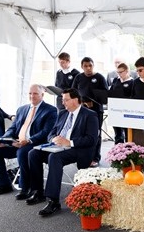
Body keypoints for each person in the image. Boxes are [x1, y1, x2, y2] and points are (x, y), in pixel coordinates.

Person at [26, 88, 99, 216]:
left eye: (66, 100)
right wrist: (53, 138)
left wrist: (69, 142)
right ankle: (38, 191)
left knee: (54, 158)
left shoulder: (90, 115)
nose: (63, 103)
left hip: (77, 149)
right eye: (62, 100)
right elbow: (52, 132)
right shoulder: (63, 113)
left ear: (76, 100)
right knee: (33, 154)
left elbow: (91, 139)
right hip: (58, 147)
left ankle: (53, 201)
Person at [0, 84, 57, 197]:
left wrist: (28, 140)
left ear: (42, 95)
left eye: (35, 93)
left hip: (35, 143)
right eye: (30, 93)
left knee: (23, 152)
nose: (32, 96)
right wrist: (5, 140)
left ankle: (27, 188)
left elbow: (46, 132)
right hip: (17, 142)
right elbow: (13, 128)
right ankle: (4, 185)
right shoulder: (22, 109)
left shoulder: (50, 110)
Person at [72, 56, 107, 167]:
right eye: (85, 66)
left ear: (93, 65)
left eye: (90, 65)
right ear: (82, 67)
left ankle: (95, 157)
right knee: (82, 134)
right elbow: (73, 93)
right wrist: (80, 103)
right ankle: (83, 157)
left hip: (97, 111)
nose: (88, 68)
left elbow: (106, 95)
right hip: (82, 111)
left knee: (96, 134)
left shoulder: (100, 77)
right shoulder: (78, 77)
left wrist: (95, 102)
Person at [108, 63, 134, 144]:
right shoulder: (116, 80)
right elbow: (111, 92)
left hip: (127, 111)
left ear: (126, 71)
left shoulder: (132, 82)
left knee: (127, 133)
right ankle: (118, 153)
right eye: (117, 72)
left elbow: (133, 96)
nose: (119, 74)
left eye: (121, 72)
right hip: (115, 110)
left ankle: (128, 152)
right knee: (118, 134)